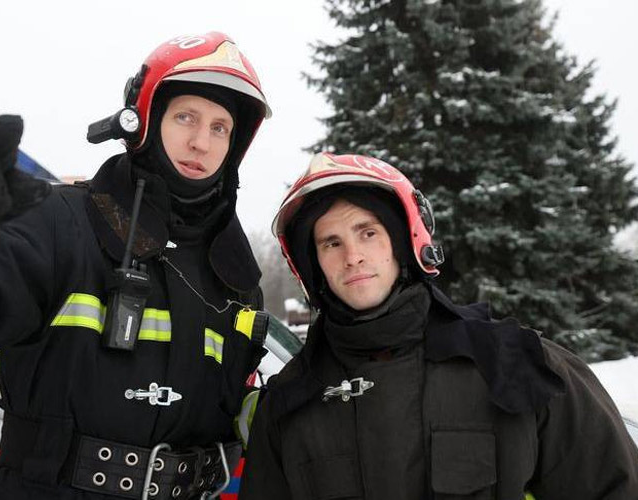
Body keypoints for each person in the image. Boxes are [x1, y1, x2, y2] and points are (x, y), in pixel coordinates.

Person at [0, 32, 272, 500]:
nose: (201, 142)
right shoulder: (60, 224)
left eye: (220, 128)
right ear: (146, 122)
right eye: (186, 117)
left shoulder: (235, 278)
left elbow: (245, 411)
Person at [239, 152, 638, 499]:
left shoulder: (515, 364)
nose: (353, 256)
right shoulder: (288, 403)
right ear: (313, 266)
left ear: (404, 240)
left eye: (368, 233)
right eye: (331, 242)